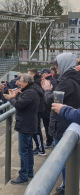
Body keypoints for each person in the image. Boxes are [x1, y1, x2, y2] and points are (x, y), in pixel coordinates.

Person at [41, 52, 80, 195]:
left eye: (57, 65)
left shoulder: (67, 81)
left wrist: (46, 90)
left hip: (63, 125)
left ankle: (66, 189)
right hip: (67, 124)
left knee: (64, 161)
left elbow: (52, 101)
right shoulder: (71, 78)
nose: (55, 68)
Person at [4, 74, 41, 184]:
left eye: (20, 81)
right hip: (28, 123)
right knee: (28, 149)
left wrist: (11, 98)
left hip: (26, 124)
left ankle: (24, 175)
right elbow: (24, 102)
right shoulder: (31, 90)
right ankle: (29, 172)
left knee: (23, 151)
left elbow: (20, 105)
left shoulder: (30, 92)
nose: (18, 82)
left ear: (26, 82)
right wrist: (16, 95)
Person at [27, 68, 46, 155]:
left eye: (28, 74)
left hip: (37, 109)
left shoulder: (36, 83)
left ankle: (41, 149)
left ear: (32, 75)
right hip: (38, 108)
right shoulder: (36, 83)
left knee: (37, 130)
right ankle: (39, 147)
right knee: (36, 129)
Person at [40, 68, 57, 149]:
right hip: (49, 107)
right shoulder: (53, 80)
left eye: (42, 74)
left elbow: (47, 94)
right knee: (50, 125)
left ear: (46, 74)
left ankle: (49, 142)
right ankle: (51, 141)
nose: (41, 75)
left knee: (48, 126)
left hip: (47, 107)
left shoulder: (49, 81)